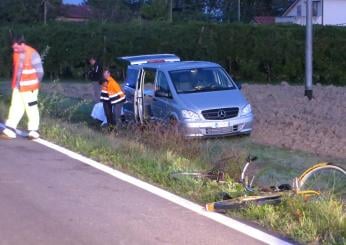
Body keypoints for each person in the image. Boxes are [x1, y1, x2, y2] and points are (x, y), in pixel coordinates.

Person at [1, 35, 44, 140]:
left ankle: (34, 131)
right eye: (13, 48)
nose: (15, 50)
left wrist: (34, 84)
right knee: (15, 107)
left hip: (30, 88)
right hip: (18, 87)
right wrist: (15, 85)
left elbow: (40, 72)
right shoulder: (16, 54)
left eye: (16, 47)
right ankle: (10, 130)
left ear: (23, 44)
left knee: (31, 108)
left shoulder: (33, 54)